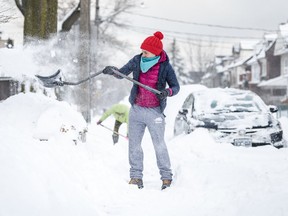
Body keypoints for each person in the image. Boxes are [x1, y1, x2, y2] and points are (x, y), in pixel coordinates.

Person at [102, 31, 180, 190]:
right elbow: (121, 73)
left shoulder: (165, 66)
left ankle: (166, 178)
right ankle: (136, 177)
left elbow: (175, 87)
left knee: (159, 145)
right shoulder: (138, 60)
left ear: (156, 52)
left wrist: (167, 92)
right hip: (136, 110)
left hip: (154, 112)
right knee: (134, 145)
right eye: (142, 50)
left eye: (146, 51)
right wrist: (113, 70)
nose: (142, 53)